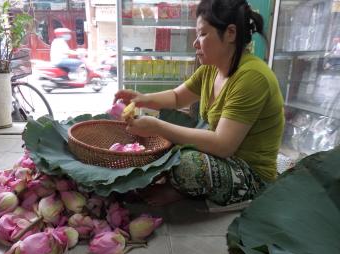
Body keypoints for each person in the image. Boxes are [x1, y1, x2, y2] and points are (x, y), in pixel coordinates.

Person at [114, 0, 285, 209]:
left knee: (186, 164)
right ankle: (183, 186)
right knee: (167, 144)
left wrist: (158, 127)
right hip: (219, 156)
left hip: (250, 174)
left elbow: (223, 145)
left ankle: (181, 189)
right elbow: (177, 97)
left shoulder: (252, 77)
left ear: (231, 33)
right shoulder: (211, 69)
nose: (195, 43)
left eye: (203, 34)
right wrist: (142, 98)